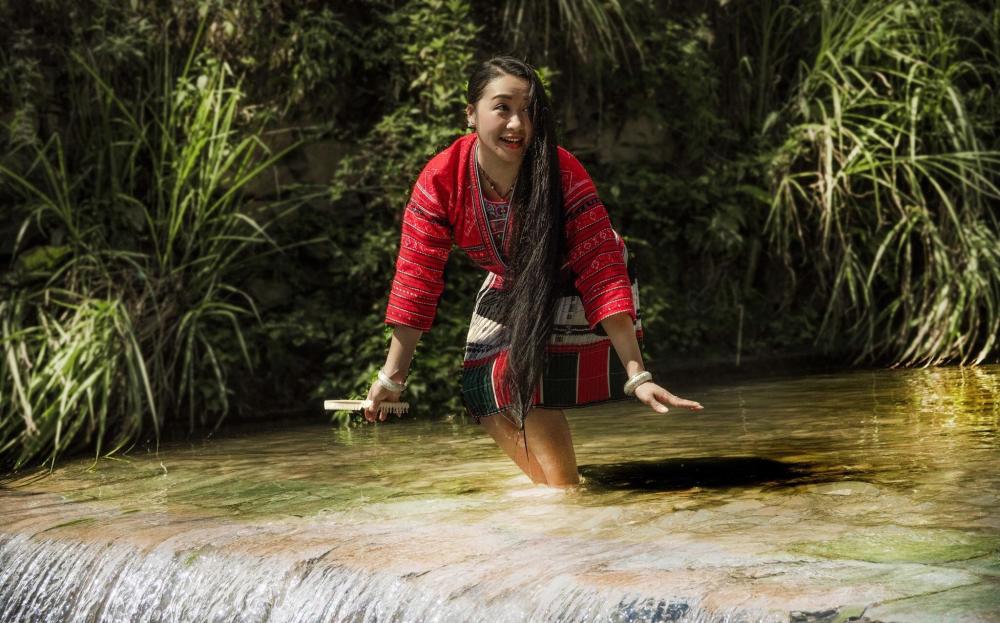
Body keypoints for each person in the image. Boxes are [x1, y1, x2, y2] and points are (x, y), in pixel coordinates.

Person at [364, 56, 703, 487]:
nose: (517, 125)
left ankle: (564, 496)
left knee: (525, 381)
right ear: (471, 113)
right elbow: (417, 279)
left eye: (528, 110)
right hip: (515, 277)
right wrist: (391, 378)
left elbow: (601, 271)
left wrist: (637, 375)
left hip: (578, 276)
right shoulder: (440, 180)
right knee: (480, 391)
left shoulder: (561, 171)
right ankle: (557, 491)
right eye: (502, 107)